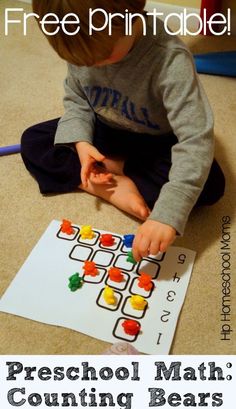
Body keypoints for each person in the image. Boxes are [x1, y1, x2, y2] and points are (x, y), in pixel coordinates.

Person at [21, 0, 225, 261]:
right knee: (34, 140)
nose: (94, 66)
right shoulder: (83, 41)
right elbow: (77, 98)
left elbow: (195, 138)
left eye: (104, 57)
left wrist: (166, 216)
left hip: (156, 141)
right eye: (83, 61)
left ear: (132, 16)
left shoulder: (169, 59)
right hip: (105, 129)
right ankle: (105, 184)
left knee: (209, 185)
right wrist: (82, 144)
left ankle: (113, 169)